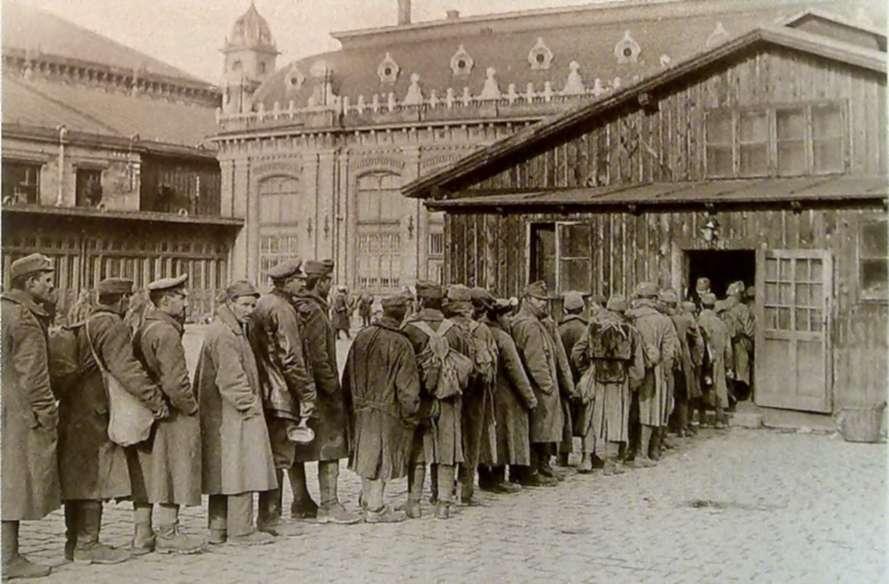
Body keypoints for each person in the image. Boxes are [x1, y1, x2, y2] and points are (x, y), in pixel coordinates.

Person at [61, 277, 168, 565]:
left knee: (79, 474)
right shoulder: (112, 324)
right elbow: (126, 369)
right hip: (97, 411)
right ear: (122, 300)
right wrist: (156, 400)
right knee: (95, 475)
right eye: (130, 298)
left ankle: (73, 542)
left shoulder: (86, 321)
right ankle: (88, 544)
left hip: (75, 410)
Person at [196, 281, 277, 546]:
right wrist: (251, 406)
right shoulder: (225, 334)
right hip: (235, 412)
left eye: (253, 305)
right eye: (244, 304)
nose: (250, 310)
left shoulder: (231, 330)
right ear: (230, 303)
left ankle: (219, 528)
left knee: (224, 469)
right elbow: (231, 378)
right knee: (242, 466)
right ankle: (241, 531)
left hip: (223, 413)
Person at [129, 274, 204, 555]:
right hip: (171, 411)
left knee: (149, 471)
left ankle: (142, 533)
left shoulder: (146, 327)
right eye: (181, 297)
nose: (186, 302)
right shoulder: (167, 332)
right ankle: (169, 532)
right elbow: (175, 382)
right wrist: (190, 407)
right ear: (165, 301)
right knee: (175, 469)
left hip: (150, 410)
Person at [2, 254, 61, 579]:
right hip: (18, 413)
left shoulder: (3, 310)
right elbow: (34, 376)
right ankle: (7, 559)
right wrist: (47, 414)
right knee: (15, 484)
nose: (52, 285)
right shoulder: (25, 318)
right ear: (29, 283)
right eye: (46, 279)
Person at [249, 259, 316, 534]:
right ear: (287, 282)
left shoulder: (263, 304)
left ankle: (269, 516)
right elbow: (291, 357)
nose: (303, 282)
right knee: (280, 456)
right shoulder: (283, 309)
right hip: (281, 392)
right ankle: (269, 518)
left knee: (272, 454)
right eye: (299, 279)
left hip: (265, 387)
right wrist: (307, 393)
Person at [342, 293, 421, 523]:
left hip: (360, 406)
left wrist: (350, 403)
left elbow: (347, 374)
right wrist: (412, 413)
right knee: (381, 457)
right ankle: (375, 508)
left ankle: (367, 499)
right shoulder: (401, 342)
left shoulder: (363, 335)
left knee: (366, 454)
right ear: (403, 314)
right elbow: (408, 388)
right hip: (387, 410)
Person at [291, 260, 360, 524]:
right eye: (328, 281)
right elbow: (320, 359)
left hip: (296, 390)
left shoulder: (294, 307)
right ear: (321, 283)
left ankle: (301, 502)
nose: (330, 285)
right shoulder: (316, 313)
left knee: (296, 445)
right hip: (319, 391)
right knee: (331, 444)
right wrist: (333, 390)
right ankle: (330, 504)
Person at [401, 281, 468, 519]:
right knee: (447, 450)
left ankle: (414, 503)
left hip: (421, 399)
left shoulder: (409, 328)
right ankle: (443, 505)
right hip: (449, 399)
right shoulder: (455, 329)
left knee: (418, 450)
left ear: (420, 301)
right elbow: (466, 367)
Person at [571, 295, 646, 476]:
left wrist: (585, 370)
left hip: (596, 376)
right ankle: (610, 463)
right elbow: (639, 365)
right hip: (619, 381)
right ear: (623, 312)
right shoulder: (631, 331)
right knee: (616, 418)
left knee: (590, 419)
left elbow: (576, 352)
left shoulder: (593, 327)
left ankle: (586, 459)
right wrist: (634, 382)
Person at [477, 297, 538, 492]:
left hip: (483, 396)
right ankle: (497, 478)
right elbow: (516, 371)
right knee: (502, 437)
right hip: (503, 397)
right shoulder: (503, 338)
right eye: (508, 315)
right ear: (500, 316)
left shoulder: (478, 330)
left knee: (485, 437)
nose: (510, 320)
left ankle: (484, 477)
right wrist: (530, 399)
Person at [446, 285, 498, 507]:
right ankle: (466, 491)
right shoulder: (481, 330)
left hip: (449, 393)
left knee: (448, 440)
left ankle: (443, 490)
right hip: (476, 393)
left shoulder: (444, 328)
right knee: (472, 440)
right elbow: (492, 363)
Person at [510, 281, 564, 487]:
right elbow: (536, 360)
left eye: (544, 300)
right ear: (527, 299)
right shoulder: (531, 325)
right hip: (537, 387)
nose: (543, 303)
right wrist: (548, 385)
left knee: (537, 428)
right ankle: (531, 472)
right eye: (538, 299)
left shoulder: (529, 321)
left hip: (530, 385)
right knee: (538, 429)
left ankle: (535, 469)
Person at [627, 282, 679, 468]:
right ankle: (643, 453)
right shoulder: (664, 321)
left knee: (631, 409)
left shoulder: (628, 318)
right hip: (653, 371)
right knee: (649, 410)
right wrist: (666, 374)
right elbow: (668, 353)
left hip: (629, 372)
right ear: (654, 299)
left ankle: (629, 450)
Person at [557, 291, 592, 471]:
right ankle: (588, 454)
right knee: (586, 415)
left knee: (565, 415)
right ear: (582, 308)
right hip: (583, 378)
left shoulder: (558, 329)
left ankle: (563, 455)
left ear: (564, 309)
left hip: (563, 378)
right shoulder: (586, 329)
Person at [701, 296, 734, 428]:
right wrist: (729, 366)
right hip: (718, 359)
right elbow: (728, 348)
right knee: (719, 387)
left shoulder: (698, 320)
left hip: (703, 360)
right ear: (714, 306)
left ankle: (702, 419)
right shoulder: (721, 324)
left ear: (702, 305)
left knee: (702, 387)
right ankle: (719, 420)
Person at [676, 301, 705, 436]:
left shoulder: (674, 318)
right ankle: (684, 426)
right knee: (686, 394)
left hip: (675, 360)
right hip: (686, 361)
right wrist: (698, 361)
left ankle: (677, 426)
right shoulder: (690, 321)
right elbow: (699, 343)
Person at [725, 281, 754, 405]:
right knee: (742, 366)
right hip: (739, 341)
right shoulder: (743, 308)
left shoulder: (719, 305)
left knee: (726, 367)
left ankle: (729, 393)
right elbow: (749, 329)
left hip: (723, 341)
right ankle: (741, 395)